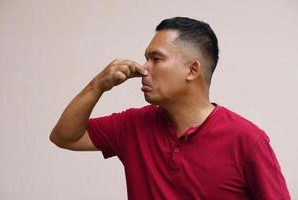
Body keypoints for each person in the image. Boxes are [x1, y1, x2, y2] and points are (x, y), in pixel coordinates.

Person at [50, 17, 291, 200]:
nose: (143, 69)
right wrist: (97, 86)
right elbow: (64, 136)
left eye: (156, 59)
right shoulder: (133, 125)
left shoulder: (248, 141)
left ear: (192, 70)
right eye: (146, 58)